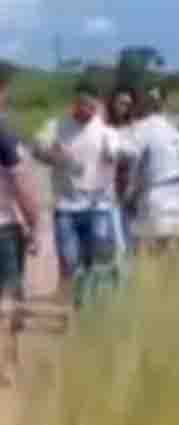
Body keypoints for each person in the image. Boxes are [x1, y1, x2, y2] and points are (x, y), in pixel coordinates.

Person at [33, 80, 134, 308]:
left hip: (98, 206)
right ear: (74, 103)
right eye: (82, 105)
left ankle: (86, 304)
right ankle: (67, 303)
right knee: (68, 259)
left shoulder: (105, 131)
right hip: (66, 206)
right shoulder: (57, 126)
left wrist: (116, 154)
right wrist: (52, 155)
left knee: (94, 260)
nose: (86, 110)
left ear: (97, 105)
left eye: (91, 106)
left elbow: (126, 151)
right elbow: (37, 148)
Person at [125, 86, 179, 256]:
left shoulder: (142, 129)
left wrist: (129, 194)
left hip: (155, 194)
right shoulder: (178, 134)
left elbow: (131, 159)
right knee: (175, 255)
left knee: (151, 252)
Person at [0, 64, 43, 385]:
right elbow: (22, 185)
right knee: (9, 298)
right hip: (4, 228)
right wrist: (35, 224)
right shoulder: (5, 137)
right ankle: (7, 364)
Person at [105, 87, 137, 253]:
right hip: (108, 194)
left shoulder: (134, 129)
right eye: (121, 103)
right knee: (117, 245)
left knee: (131, 243)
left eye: (128, 104)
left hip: (130, 194)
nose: (125, 107)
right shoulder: (103, 128)